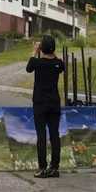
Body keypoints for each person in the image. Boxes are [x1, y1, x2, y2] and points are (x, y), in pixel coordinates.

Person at [26, 35, 65, 178]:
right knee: (55, 135)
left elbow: (28, 68)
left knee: (41, 135)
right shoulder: (58, 63)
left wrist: (35, 51)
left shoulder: (37, 62)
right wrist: (50, 51)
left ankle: (42, 168)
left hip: (40, 103)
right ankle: (54, 167)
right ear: (53, 48)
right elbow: (60, 64)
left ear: (42, 48)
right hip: (54, 103)